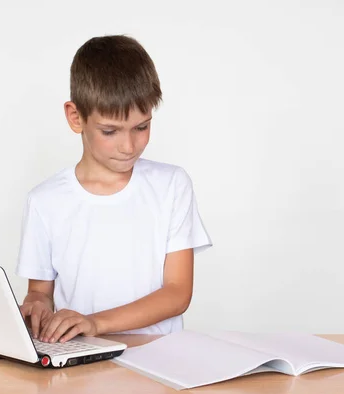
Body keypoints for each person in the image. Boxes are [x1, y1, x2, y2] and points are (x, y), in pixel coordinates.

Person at [15, 35, 212, 344]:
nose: (129, 146)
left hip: (159, 358)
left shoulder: (172, 186)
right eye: (110, 131)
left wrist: (93, 323)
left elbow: (177, 293)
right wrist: (36, 309)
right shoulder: (45, 201)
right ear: (76, 117)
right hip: (80, 359)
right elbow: (39, 292)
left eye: (142, 127)